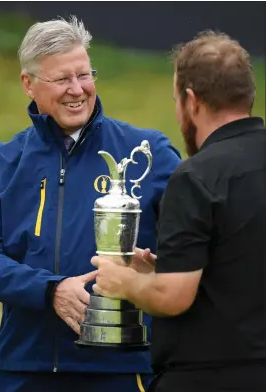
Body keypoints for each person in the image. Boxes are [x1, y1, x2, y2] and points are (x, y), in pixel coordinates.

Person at [0, 16, 182, 392]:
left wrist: (156, 270)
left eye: (84, 74)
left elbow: (195, 244)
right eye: (62, 79)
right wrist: (50, 290)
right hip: (23, 369)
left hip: (120, 370)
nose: (77, 89)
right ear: (28, 84)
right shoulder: (5, 163)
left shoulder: (150, 154)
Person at [91, 31, 266, 391]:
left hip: (210, 377)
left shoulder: (195, 176)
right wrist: (168, 267)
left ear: (191, 101)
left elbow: (173, 297)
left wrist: (126, 281)